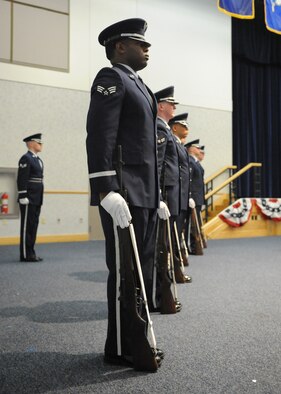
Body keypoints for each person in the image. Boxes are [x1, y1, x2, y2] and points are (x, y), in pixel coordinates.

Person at [86, 18, 168, 372]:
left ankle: (126, 343)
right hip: (123, 192)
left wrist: (158, 194)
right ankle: (123, 347)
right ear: (120, 47)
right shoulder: (111, 78)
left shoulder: (142, 87)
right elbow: (100, 134)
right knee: (124, 274)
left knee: (141, 271)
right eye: (140, 43)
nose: (147, 48)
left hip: (146, 194)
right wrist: (105, 188)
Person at [154, 87, 191, 289]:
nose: (174, 106)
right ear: (161, 106)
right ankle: (163, 284)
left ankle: (172, 274)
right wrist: (159, 194)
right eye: (171, 104)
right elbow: (159, 165)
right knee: (165, 241)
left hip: (176, 194)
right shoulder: (160, 128)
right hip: (168, 193)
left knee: (173, 237)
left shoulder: (166, 129)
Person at [17, 133, 44, 262]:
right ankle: (25, 254)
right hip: (28, 198)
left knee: (33, 225)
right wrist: (22, 195)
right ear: (31, 143)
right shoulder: (26, 158)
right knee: (26, 227)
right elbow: (22, 178)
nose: (41, 144)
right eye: (39, 142)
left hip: (37, 198)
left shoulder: (37, 159)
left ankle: (31, 252)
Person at [168, 113, 191, 264]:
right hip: (173, 195)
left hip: (181, 196)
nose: (187, 128)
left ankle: (176, 263)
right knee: (171, 233)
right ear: (175, 127)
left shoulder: (180, 145)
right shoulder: (173, 143)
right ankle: (172, 264)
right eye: (184, 125)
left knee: (177, 231)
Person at [184, 139, 205, 254]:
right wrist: (189, 196)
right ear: (191, 148)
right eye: (197, 147)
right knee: (190, 224)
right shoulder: (190, 161)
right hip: (193, 197)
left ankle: (193, 245)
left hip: (198, 197)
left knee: (194, 224)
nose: (199, 150)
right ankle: (189, 246)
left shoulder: (195, 162)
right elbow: (190, 180)